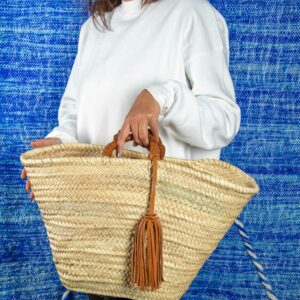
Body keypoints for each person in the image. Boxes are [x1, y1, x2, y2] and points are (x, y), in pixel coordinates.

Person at [21, 0, 241, 299]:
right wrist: (58, 148)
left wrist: (161, 97)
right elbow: (74, 118)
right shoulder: (94, 29)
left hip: (153, 226)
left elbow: (223, 120)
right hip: (97, 220)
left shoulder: (190, 11)